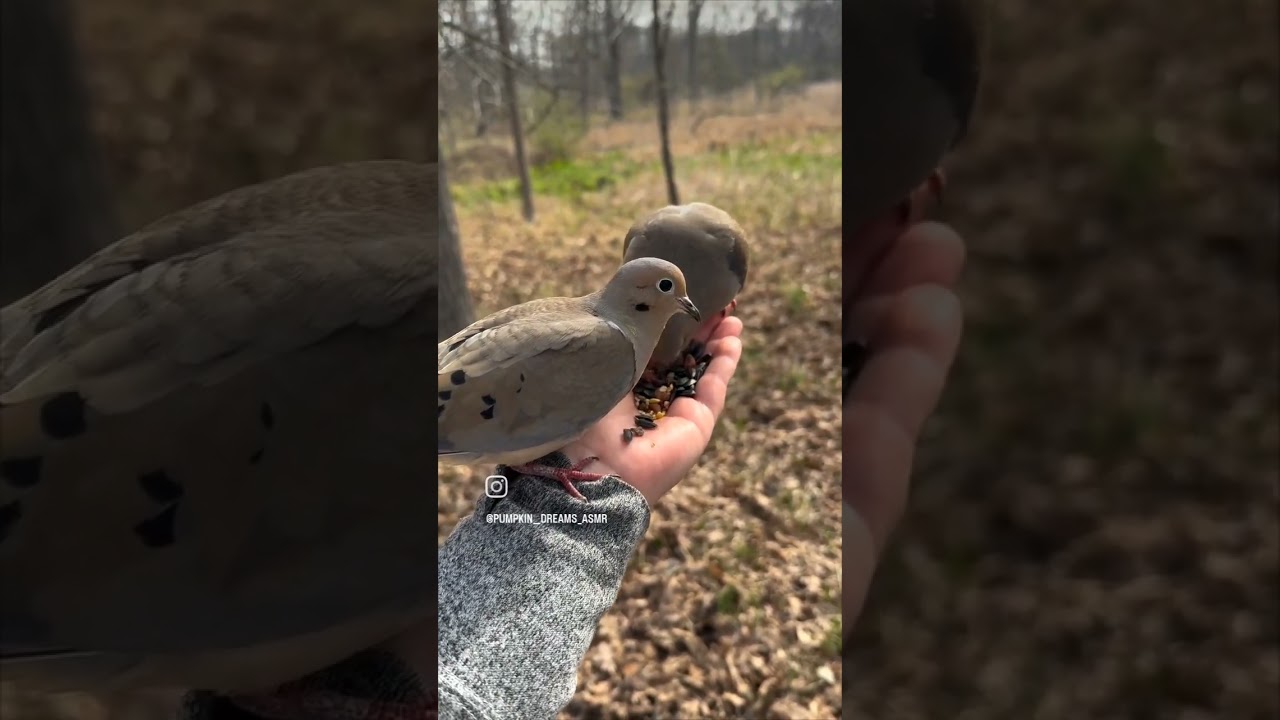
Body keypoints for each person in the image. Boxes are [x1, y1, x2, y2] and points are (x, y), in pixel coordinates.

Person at [181, 220, 966, 719]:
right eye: (669, 292)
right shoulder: (605, 356)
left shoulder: (591, 330)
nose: (683, 309)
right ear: (640, 293)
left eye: (679, 295)